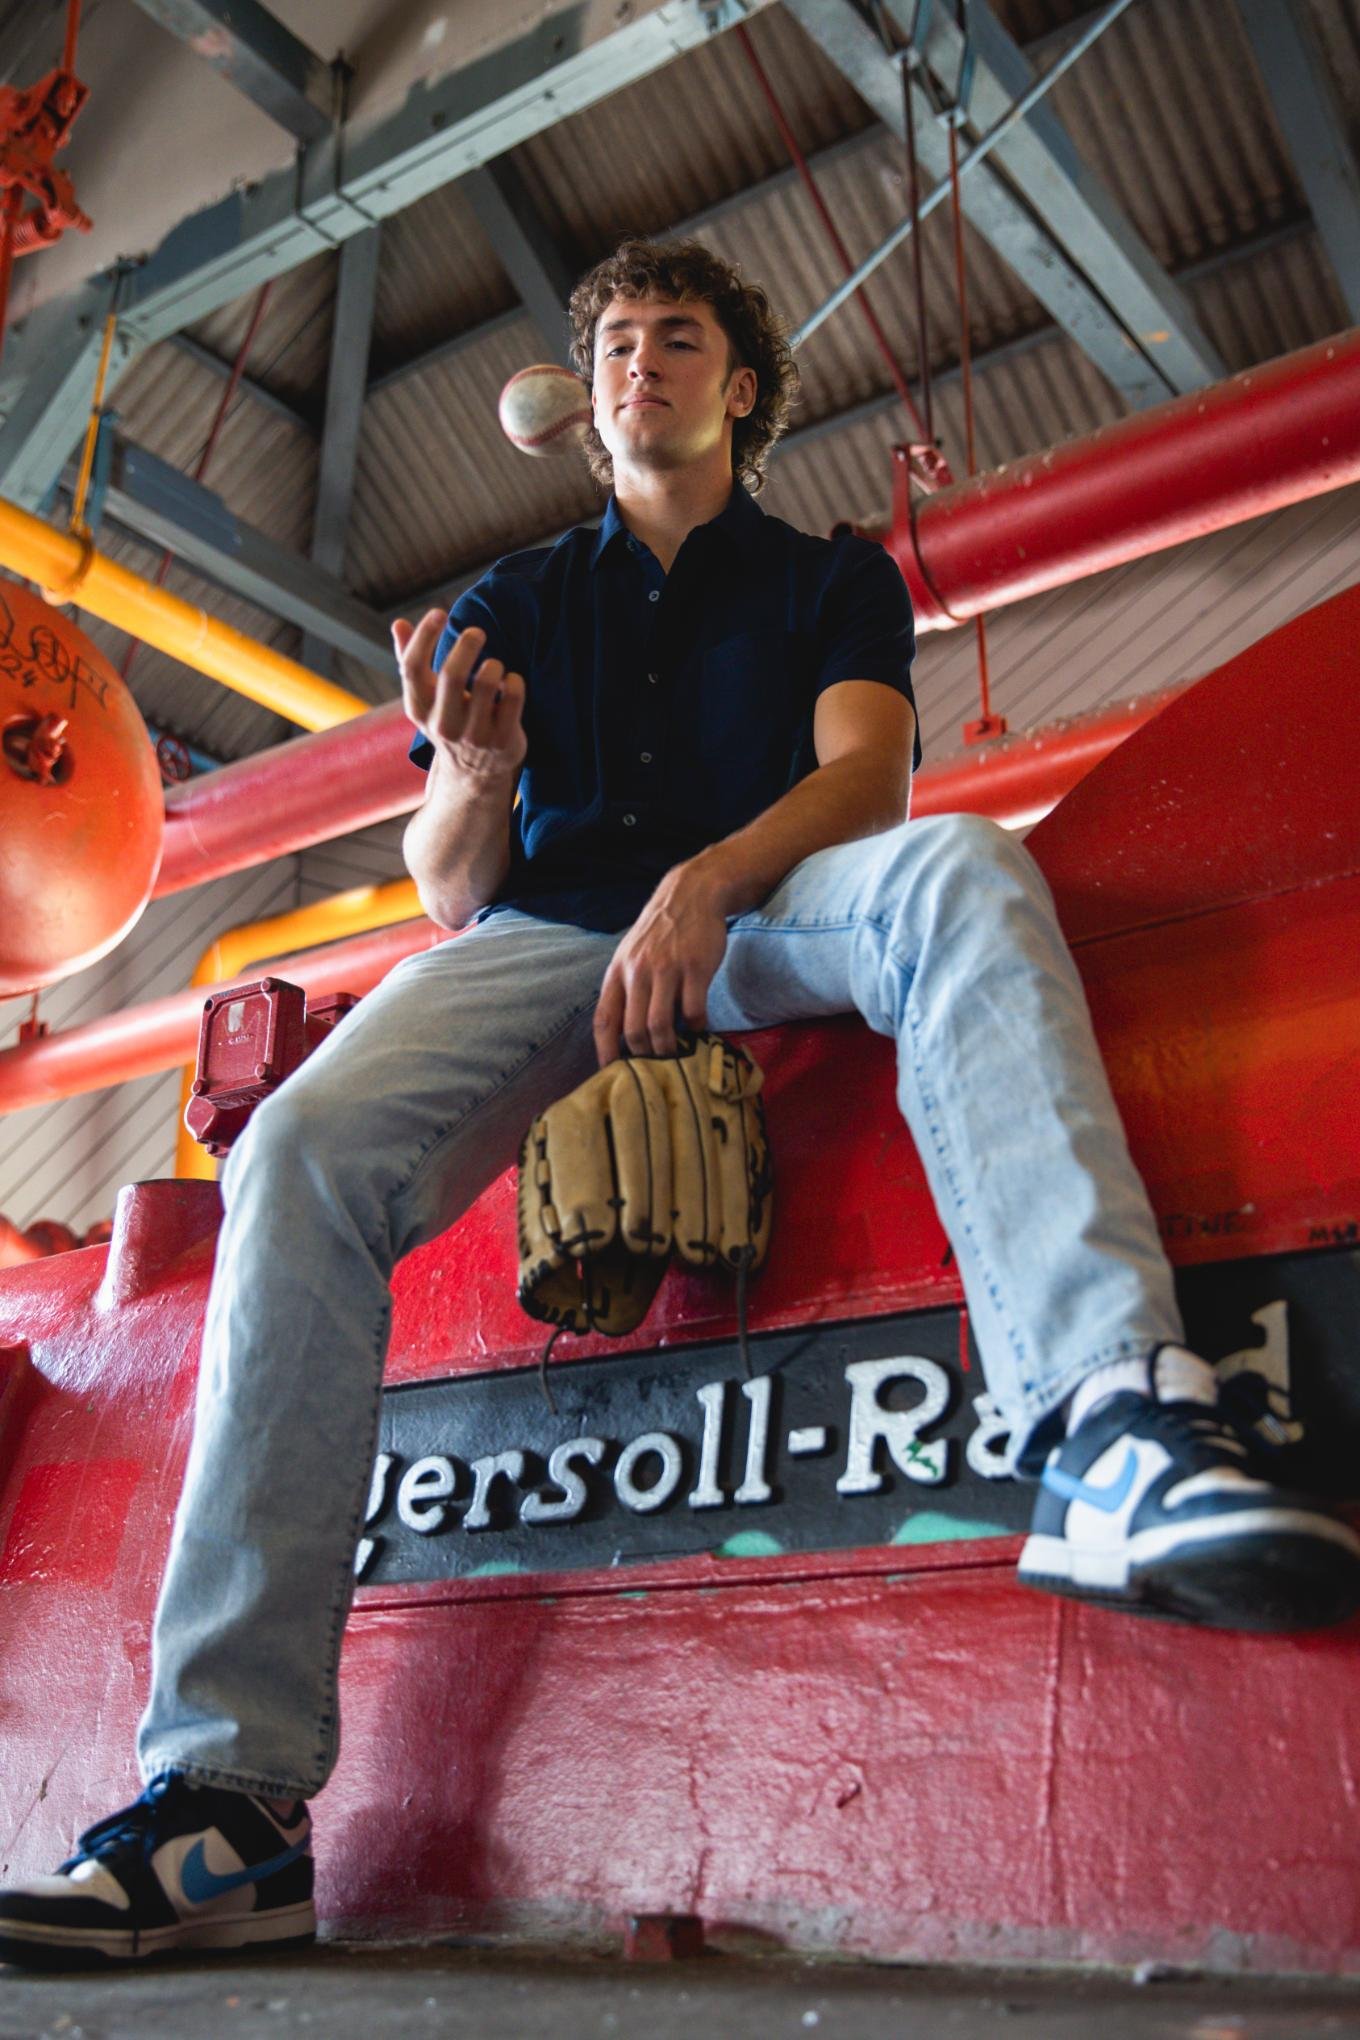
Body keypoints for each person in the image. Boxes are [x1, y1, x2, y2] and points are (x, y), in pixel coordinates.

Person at [2, 237, 1356, 1973]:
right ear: (591, 398)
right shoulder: (512, 599)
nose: (641, 361)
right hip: (549, 936)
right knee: (304, 1154)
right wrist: (475, 783)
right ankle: (228, 1806)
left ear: (744, 388)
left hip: (775, 902)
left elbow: (868, 774)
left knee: (954, 872)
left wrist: (712, 879)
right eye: (617, 341)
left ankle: (1108, 1426)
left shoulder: (827, 580)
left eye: (679, 337)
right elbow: (446, 886)